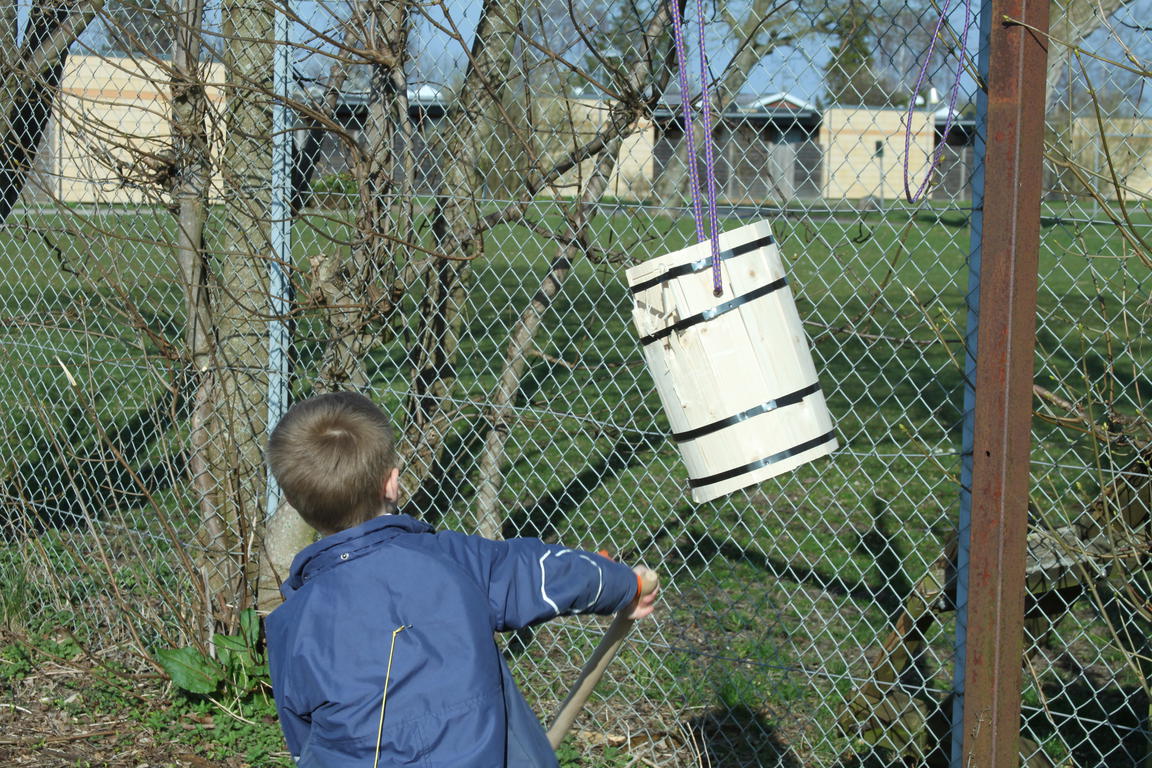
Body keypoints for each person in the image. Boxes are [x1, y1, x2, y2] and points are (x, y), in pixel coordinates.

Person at [264, 391, 658, 767]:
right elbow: (545, 572)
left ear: (298, 505)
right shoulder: (457, 561)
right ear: (392, 482)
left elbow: (303, 741)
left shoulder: (290, 624)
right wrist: (624, 584)